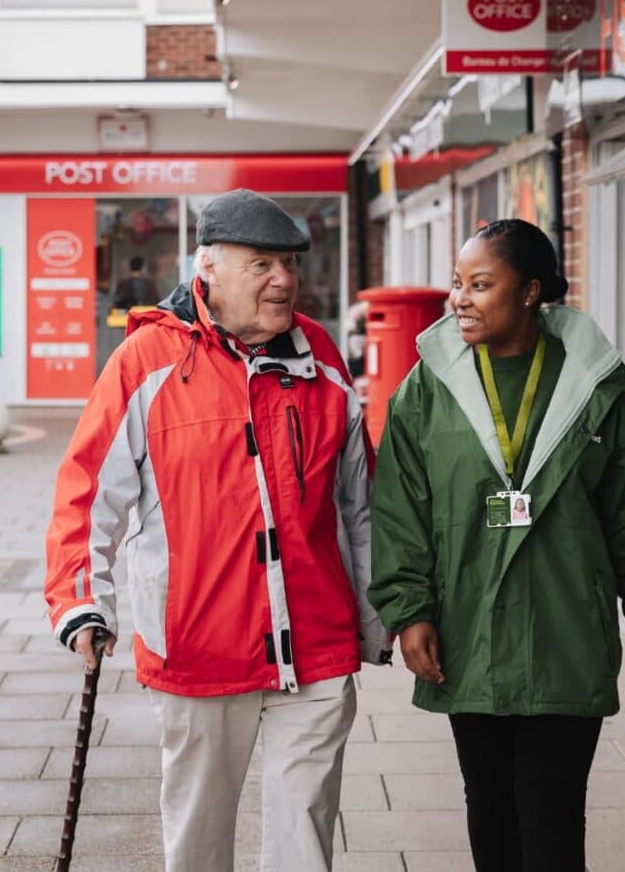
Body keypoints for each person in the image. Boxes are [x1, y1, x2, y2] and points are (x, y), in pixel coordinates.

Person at [45, 188, 391, 872]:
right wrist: (81, 600)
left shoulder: (319, 354)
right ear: (208, 267)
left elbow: (360, 502)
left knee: (306, 835)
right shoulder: (146, 361)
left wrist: (382, 612)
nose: (284, 279)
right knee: (199, 837)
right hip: (200, 646)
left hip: (317, 643)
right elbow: (86, 497)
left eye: (289, 263)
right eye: (262, 263)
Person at [367, 218, 625, 872]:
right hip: (467, 628)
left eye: (481, 284)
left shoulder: (601, 393)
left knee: (553, 809)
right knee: (487, 801)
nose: (460, 298)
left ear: (532, 292)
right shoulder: (427, 392)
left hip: (565, 627)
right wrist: (410, 611)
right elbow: (400, 512)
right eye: (458, 283)